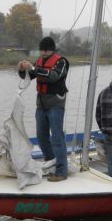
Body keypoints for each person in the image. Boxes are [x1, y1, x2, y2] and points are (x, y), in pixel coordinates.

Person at [18, 36, 70, 181]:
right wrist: (22, 70)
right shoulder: (40, 61)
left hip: (55, 104)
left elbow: (53, 76)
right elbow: (30, 76)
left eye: (45, 50)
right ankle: (50, 162)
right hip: (41, 104)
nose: (43, 52)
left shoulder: (62, 62)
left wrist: (34, 68)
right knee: (41, 136)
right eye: (41, 50)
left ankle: (62, 172)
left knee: (57, 137)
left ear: (52, 50)